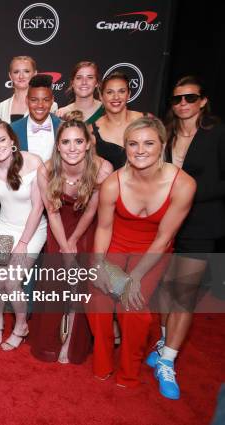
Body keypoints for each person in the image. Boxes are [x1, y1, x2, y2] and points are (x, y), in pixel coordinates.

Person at [88, 116, 195, 389]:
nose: (140, 150)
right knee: (97, 296)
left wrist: (133, 276)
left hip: (151, 252)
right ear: (125, 147)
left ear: (163, 144)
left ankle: (129, 370)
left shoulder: (183, 185)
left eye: (149, 143)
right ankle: (102, 361)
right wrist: (98, 265)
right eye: (133, 144)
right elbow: (103, 228)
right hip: (115, 246)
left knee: (132, 304)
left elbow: (163, 238)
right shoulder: (113, 182)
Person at [146, 76, 225, 400]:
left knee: (184, 293)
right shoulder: (167, 133)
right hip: (164, 222)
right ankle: (164, 340)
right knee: (165, 288)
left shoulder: (217, 133)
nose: (183, 104)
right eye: (178, 99)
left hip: (200, 225)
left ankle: (168, 360)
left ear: (203, 101)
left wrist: (188, 194)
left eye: (190, 98)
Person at [33, 113, 112, 364]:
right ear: (58, 145)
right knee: (56, 281)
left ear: (88, 143)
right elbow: (52, 213)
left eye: (78, 142)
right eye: (66, 142)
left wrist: (75, 242)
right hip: (58, 228)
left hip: (87, 228)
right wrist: (65, 248)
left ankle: (72, 342)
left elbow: (91, 211)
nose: (72, 148)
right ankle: (51, 341)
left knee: (80, 285)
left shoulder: (102, 168)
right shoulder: (46, 170)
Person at [0, 116, 46, 350]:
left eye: (2, 139)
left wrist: (24, 242)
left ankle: (20, 325)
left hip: (33, 230)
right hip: (4, 229)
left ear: (12, 139)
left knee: (12, 283)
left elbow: (38, 207)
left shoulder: (33, 162)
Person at [92, 72, 145, 170]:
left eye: (121, 91)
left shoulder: (146, 121)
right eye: (109, 92)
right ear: (101, 96)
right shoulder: (92, 131)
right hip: (110, 184)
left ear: (128, 94)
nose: (116, 97)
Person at [11, 74, 62, 162]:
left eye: (45, 100)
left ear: (52, 100)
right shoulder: (12, 130)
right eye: (34, 100)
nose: (40, 105)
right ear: (27, 100)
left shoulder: (64, 127)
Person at [0, 56, 57, 124]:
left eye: (26, 71)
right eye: (16, 72)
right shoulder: (3, 106)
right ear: (10, 76)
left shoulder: (52, 105)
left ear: (35, 74)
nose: (21, 76)